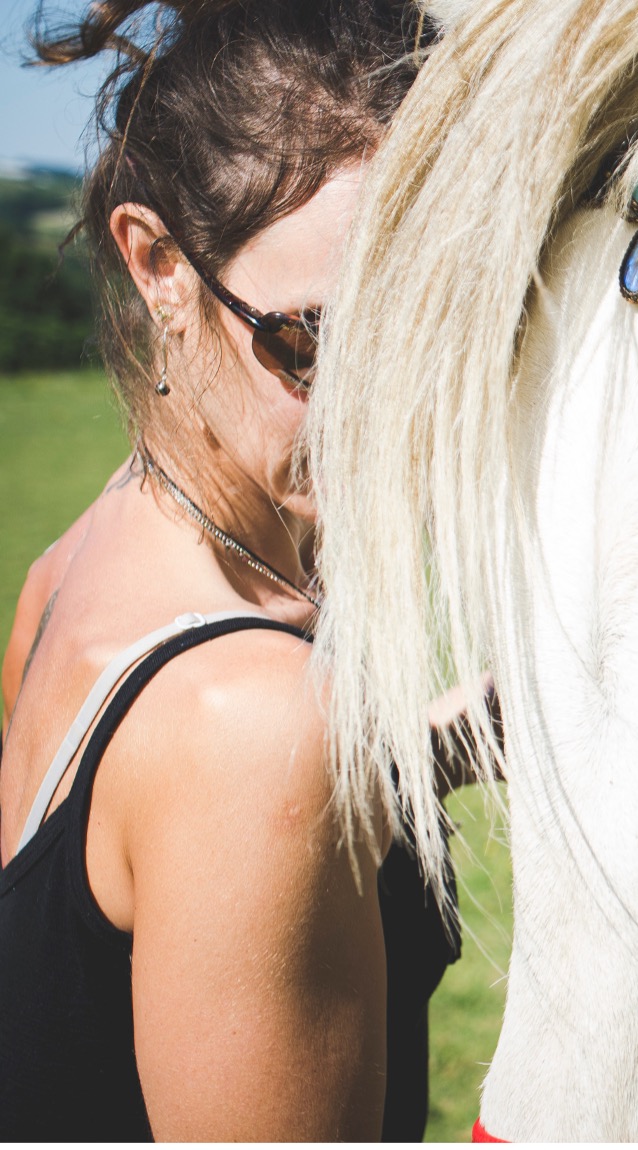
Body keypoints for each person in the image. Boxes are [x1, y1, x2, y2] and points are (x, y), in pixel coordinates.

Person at [0, 1, 463, 1139]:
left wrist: (432, 750)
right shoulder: (252, 730)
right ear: (156, 264)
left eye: (429, 337)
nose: (382, 416)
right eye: (315, 342)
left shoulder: (71, 569)